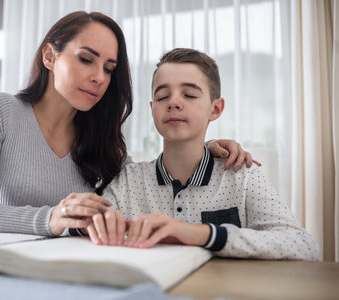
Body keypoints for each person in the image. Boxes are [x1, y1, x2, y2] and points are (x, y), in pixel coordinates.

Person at [0, 11, 256, 237]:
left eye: (109, 68)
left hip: (71, 277)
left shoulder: (102, 141)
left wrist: (202, 150)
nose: (99, 77)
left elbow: (147, 187)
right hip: (0, 271)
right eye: (86, 59)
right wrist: (49, 219)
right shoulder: (1, 110)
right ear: (50, 56)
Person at [87, 48, 319, 260]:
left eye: (189, 95)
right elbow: (92, 232)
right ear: (152, 109)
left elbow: (305, 247)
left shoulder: (242, 175)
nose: (174, 102)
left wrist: (203, 234)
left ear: (215, 109)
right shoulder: (128, 181)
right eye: (162, 97)